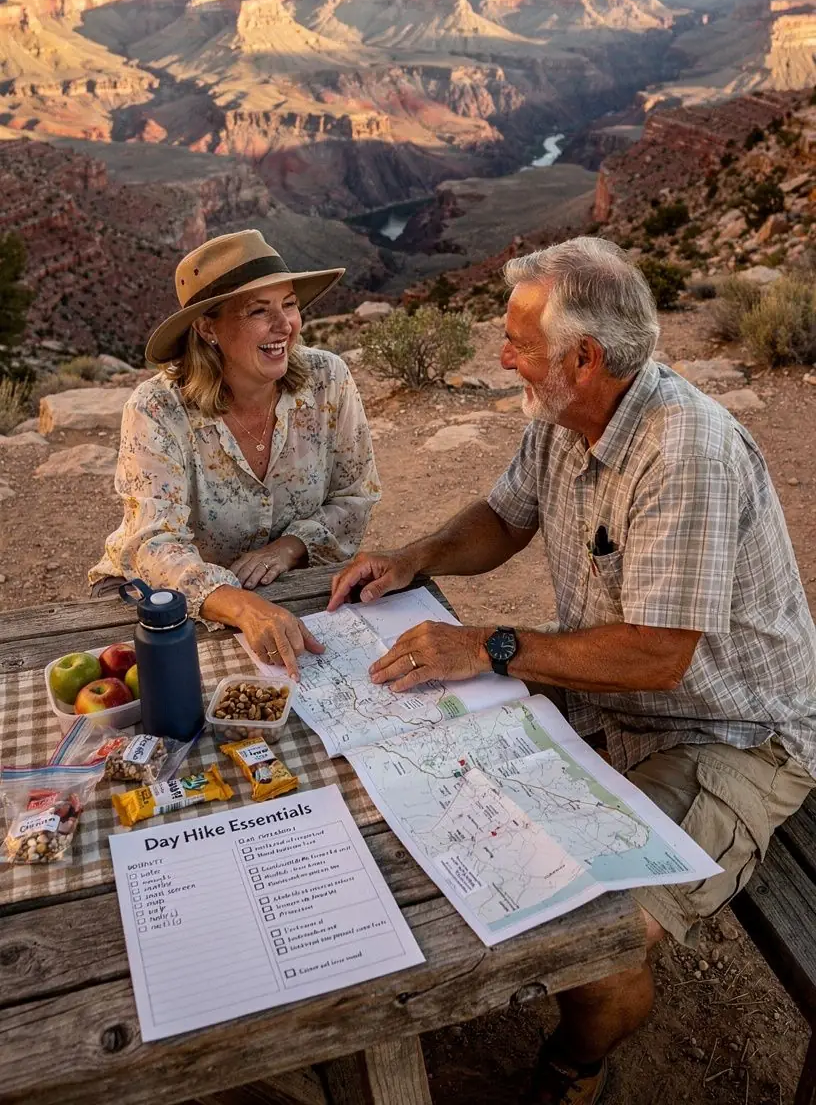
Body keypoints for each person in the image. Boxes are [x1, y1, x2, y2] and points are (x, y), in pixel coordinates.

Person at [329, 236, 816, 1105]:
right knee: (412, 762)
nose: (502, 355)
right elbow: (503, 518)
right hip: (615, 696)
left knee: (596, 941)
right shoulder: (565, 417)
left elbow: (659, 657)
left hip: (734, 734)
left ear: (585, 357)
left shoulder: (684, 452)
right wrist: (415, 556)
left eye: (518, 341)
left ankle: (576, 1063)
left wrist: (489, 645)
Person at [90, 229, 380, 679]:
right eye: (258, 311)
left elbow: (356, 494)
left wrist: (291, 546)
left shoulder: (330, 380)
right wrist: (241, 604)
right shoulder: (157, 410)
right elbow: (152, 544)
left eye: (289, 304)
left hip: (284, 588)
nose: (285, 325)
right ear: (208, 327)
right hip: (165, 605)